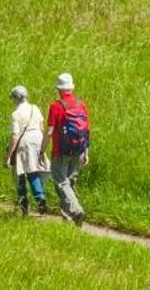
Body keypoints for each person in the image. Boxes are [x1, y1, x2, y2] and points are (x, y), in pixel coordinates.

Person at [47, 72, 90, 225]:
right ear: (71, 88)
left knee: (61, 182)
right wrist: (86, 151)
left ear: (59, 89)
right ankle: (70, 220)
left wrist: (41, 150)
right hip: (78, 149)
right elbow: (86, 130)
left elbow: (50, 131)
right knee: (70, 183)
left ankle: (76, 210)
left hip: (60, 151)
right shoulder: (81, 104)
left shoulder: (56, 106)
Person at [6, 85, 49, 215]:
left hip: (24, 142)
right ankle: (40, 198)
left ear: (16, 98)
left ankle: (23, 203)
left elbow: (15, 136)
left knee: (20, 173)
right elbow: (41, 127)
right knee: (33, 171)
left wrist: (8, 156)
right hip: (38, 139)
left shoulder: (15, 114)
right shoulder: (34, 108)